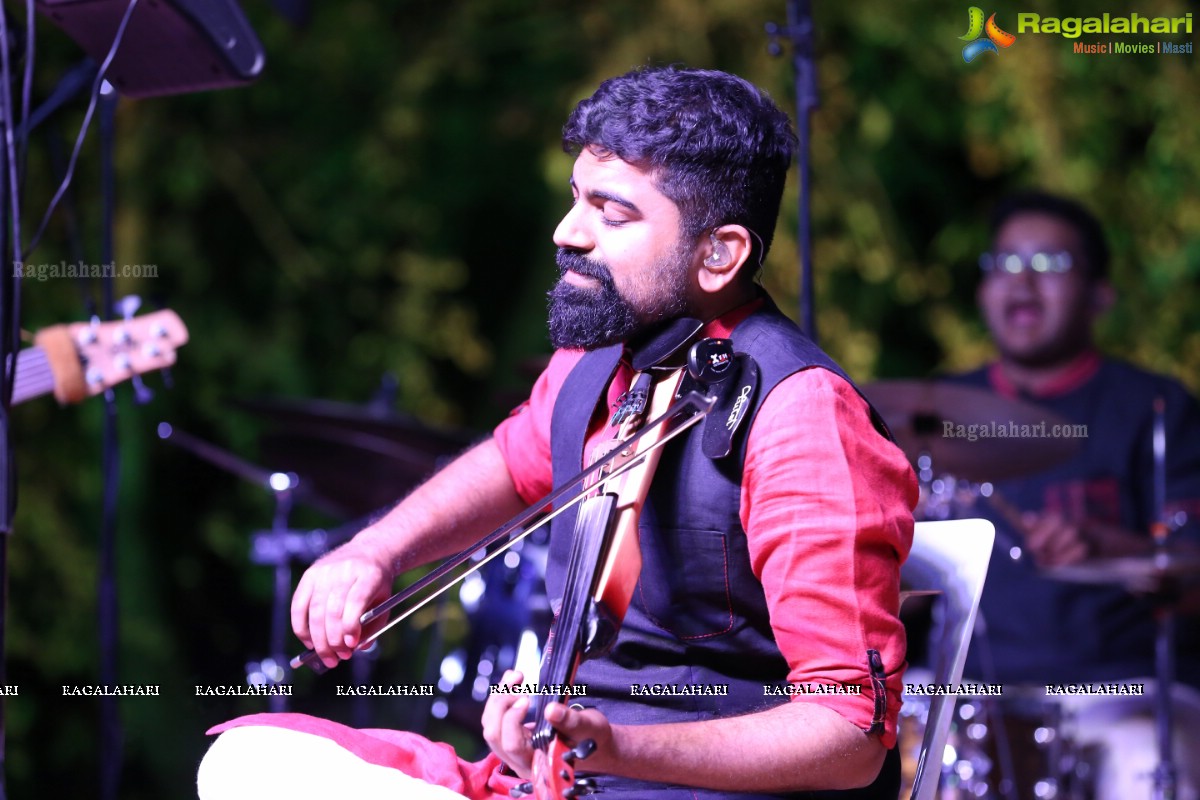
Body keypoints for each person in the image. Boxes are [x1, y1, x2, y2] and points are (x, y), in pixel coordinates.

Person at [196, 66, 916, 800]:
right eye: (577, 198)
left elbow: (847, 733)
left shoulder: (804, 415)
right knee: (249, 761)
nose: (567, 233)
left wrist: (614, 745)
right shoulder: (602, 358)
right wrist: (376, 550)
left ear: (718, 254)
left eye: (613, 213)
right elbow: (514, 463)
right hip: (570, 783)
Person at [940, 190, 1200, 798]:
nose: (1022, 283)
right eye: (1003, 263)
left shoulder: (1157, 409)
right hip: (967, 689)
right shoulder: (932, 412)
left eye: (1050, 264)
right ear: (982, 292)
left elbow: (1191, 565)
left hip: (1118, 688)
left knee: (1150, 754)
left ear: (1100, 294)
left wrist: (1115, 549)